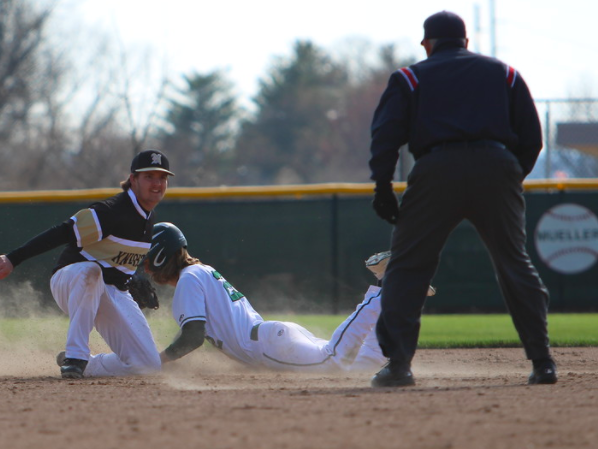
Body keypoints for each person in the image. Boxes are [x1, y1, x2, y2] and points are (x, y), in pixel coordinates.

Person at [367, 11, 556, 387]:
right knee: (514, 263)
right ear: (466, 42)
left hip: (436, 169)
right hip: (497, 162)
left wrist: (383, 187)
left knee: (408, 267)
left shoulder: (409, 76)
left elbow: (385, 137)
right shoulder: (505, 73)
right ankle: (542, 362)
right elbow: (532, 138)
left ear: (427, 44)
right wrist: (508, 174)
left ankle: (400, 366)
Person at [0, 150, 173, 378]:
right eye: (149, 177)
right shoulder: (110, 211)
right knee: (91, 270)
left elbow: (114, 261)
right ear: (133, 179)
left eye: (162, 178)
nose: (157, 183)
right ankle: (76, 357)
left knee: (147, 365)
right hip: (70, 281)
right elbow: (63, 232)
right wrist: (13, 258)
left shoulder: (147, 218)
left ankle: (90, 365)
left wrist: (130, 279)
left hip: (108, 290)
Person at [146, 222, 390, 372]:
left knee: (333, 362)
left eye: (146, 258)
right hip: (273, 339)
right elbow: (192, 330)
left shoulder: (189, 279)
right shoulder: (199, 271)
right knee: (355, 367)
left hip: (269, 345)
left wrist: (158, 361)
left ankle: (383, 290)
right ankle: (387, 314)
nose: (145, 267)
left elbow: (192, 336)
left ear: (160, 255)